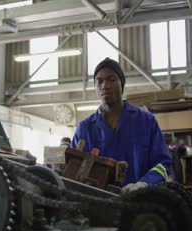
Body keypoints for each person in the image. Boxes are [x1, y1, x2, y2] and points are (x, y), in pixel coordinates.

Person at [71, 58, 172, 194]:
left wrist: (145, 183)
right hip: (97, 206)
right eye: (99, 81)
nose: (105, 86)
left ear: (122, 83)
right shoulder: (85, 128)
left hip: (140, 204)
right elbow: (74, 171)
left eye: (111, 79)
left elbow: (163, 165)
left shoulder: (146, 122)